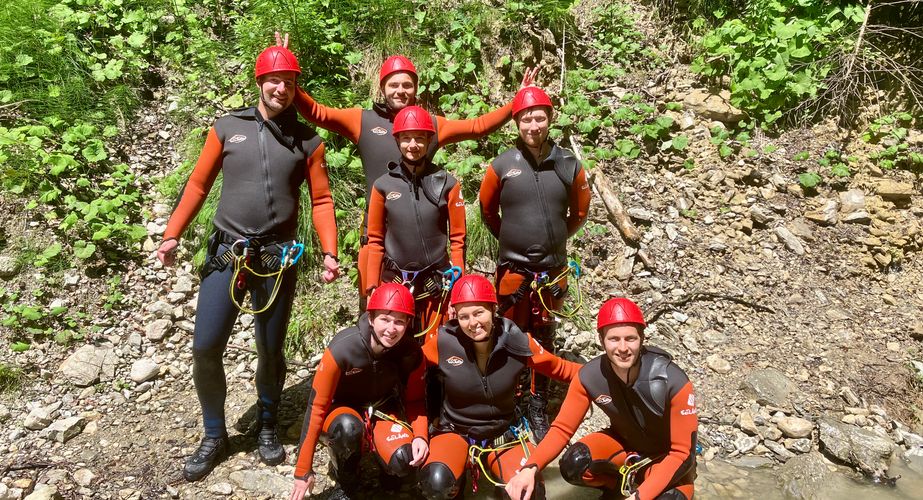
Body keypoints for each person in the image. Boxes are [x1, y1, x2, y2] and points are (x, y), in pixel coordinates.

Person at [156, 44, 340, 482]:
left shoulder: (308, 141)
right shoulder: (227, 127)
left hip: (277, 258)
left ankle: (269, 425)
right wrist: (171, 233)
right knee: (205, 347)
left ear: (297, 90)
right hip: (228, 253)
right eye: (274, 80)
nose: (282, 88)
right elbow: (199, 186)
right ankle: (214, 434)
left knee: (270, 349)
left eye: (290, 83)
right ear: (259, 82)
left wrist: (331, 250)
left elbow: (322, 199)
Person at [276, 31, 537, 305]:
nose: (401, 91)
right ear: (382, 88)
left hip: (421, 240)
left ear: (416, 89)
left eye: (407, 85)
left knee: (424, 319)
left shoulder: (431, 126)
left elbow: (477, 127)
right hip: (376, 241)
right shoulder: (362, 121)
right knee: (376, 317)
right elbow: (317, 112)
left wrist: (516, 103)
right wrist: (287, 78)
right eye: (394, 84)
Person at [478, 85, 591, 441]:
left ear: (550, 119)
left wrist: (555, 241)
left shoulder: (569, 164)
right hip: (513, 269)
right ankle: (509, 400)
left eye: (539, 117)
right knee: (508, 334)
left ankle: (538, 402)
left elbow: (580, 213)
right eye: (526, 117)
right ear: (516, 122)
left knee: (543, 334)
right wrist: (512, 240)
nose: (533, 124)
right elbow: (487, 210)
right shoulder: (502, 165)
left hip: (552, 268)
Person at [504, 298, 698, 500]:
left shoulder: (673, 381)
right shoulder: (590, 376)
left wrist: (640, 497)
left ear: (641, 338)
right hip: (624, 448)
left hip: (665, 459)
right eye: (614, 339)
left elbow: (682, 453)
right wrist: (530, 468)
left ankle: (643, 491)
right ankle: (616, 489)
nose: (623, 348)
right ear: (601, 340)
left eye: (630, 338)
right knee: (574, 463)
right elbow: (561, 429)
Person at [415, 274, 581, 499]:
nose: (472, 323)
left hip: (502, 432)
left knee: (529, 492)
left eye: (479, 313)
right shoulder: (443, 343)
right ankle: (456, 479)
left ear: (493, 310)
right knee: (435, 483)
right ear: (455, 317)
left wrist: (606, 374)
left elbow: (561, 369)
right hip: (455, 430)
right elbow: (409, 368)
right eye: (464, 316)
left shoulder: (518, 342)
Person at [290, 284, 428, 500]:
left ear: (408, 324)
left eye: (399, 321)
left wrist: (421, 436)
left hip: (383, 409)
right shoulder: (343, 348)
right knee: (348, 429)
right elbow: (316, 406)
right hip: (342, 410)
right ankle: (347, 479)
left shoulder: (411, 353)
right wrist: (303, 469)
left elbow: (416, 400)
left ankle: (386, 469)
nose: (391, 329)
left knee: (404, 459)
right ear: (371, 318)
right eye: (385, 319)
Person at [365, 105, 466, 342]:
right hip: (395, 279)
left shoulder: (448, 184)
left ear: (429, 141)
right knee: (394, 347)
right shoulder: (383, 185)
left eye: (420, 138)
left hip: (436, 281)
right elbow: (375, 240)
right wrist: (372, 287)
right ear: (397, 140)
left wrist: (457, 289)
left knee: (435, 348)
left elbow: (458, 240)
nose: (413, 145)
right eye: (407, 138)